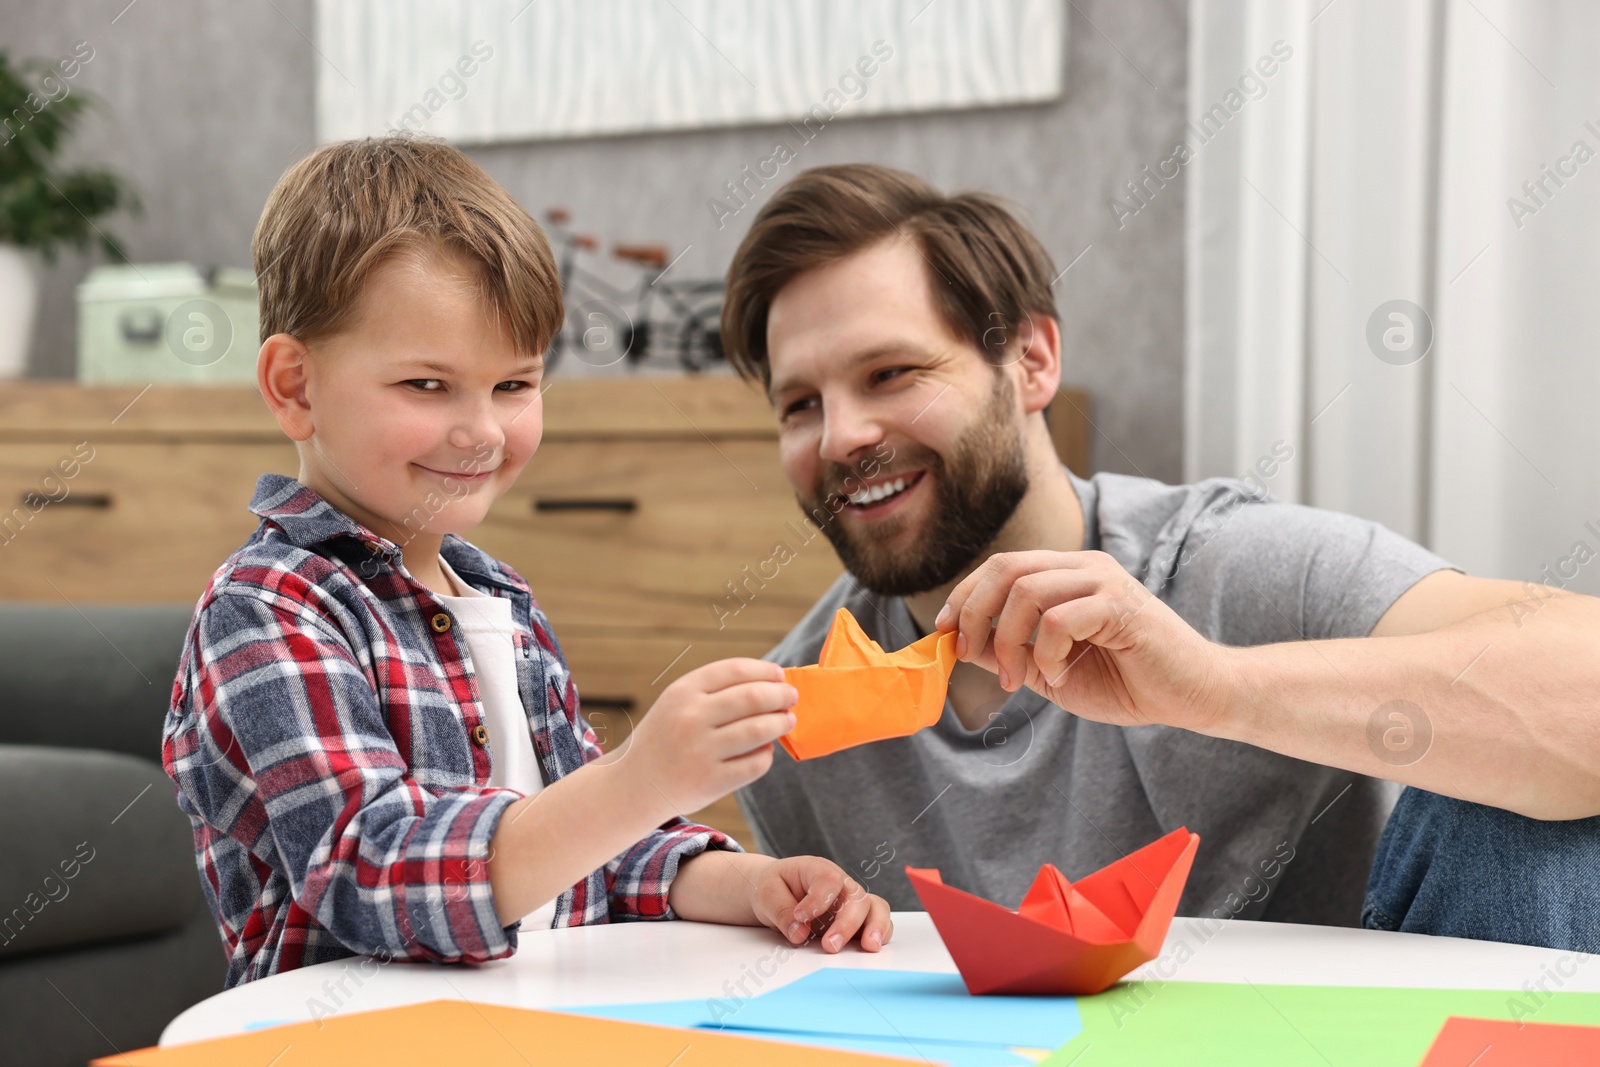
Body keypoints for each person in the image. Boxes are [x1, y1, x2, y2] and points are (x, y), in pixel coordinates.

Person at [723, 163, 1600, 950]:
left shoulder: (1237, 568)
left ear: (1030, 360)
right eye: (800, 404)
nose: (841, 438)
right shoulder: (797, 717)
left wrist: (1213, 686)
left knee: (1524, 807)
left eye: (891, 374)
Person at [161, 137, 891, 989]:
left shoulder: (499, 598)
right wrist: (634, 779)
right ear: (294, 387)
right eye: (427, 387)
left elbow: (591, 852)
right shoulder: (270, 607)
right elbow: (374, 874)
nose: (483, 431)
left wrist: (752, 882)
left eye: (514, 385)